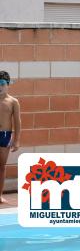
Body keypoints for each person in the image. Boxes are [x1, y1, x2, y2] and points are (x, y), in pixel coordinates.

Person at [0, 71, 20, 203]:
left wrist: (17, 141)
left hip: (5, 135)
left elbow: (17, 122)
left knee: (1, 166)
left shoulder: (13, 102)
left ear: (8, 84)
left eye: (2, 84)